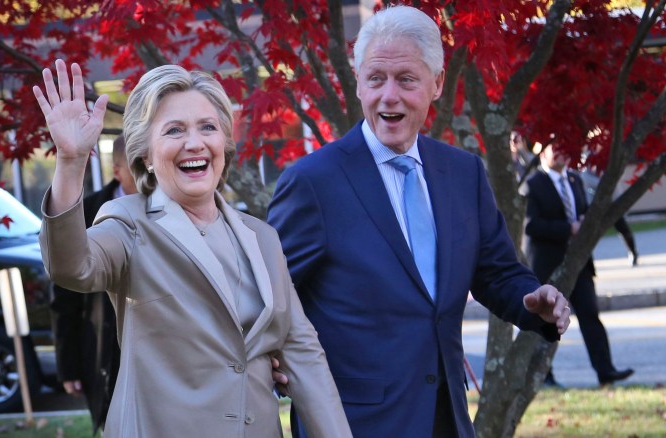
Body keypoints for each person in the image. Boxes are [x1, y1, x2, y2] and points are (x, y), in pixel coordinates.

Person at [266, 6, 571, 438]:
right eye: (375, 79)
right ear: (358, 84)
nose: (389, 95)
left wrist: (533, 299)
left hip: (446, 417)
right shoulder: (312, 183)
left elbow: (497, 272)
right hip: (352, 424)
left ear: (437, 83)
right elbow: (271, 301)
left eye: (406, 79)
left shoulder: (463, 173)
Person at [33, 60, 352, 437]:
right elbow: (72, 267)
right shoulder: (128, 221)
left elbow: (301, 354)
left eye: (207, 127)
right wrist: (70, 163)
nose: (195, 143)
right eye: (174, 130)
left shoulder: (262, 237)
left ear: (224, 143)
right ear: (146, 156)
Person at [524, 144, 634, 387]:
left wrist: (584, 221)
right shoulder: (533, 184)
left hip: (579, 264)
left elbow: (583, 211)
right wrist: (568, 228)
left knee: (590, 316)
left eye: (566, 147)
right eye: (556, 147)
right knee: (545, 321)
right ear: (542, 151)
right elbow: (531, 226)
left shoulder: (575, 179)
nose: (563, 152)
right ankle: (544, 376)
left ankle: (606, 371)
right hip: (547, 265)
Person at [49, 135, 135, 433]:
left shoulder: (169, 210)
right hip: (102, 346)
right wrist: (68, 365)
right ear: (117, 170)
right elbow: (64, 296)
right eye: (134, 167)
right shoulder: (86, 212)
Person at [578, 168, 639, 266]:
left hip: (613, 204)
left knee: (623, 229)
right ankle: (584, 259)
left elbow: (617, 178)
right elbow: (598, 184)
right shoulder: (586, 173)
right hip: (595, 207)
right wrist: (607, 179)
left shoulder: (611, 165)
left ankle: (633, 252)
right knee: (590, 234)